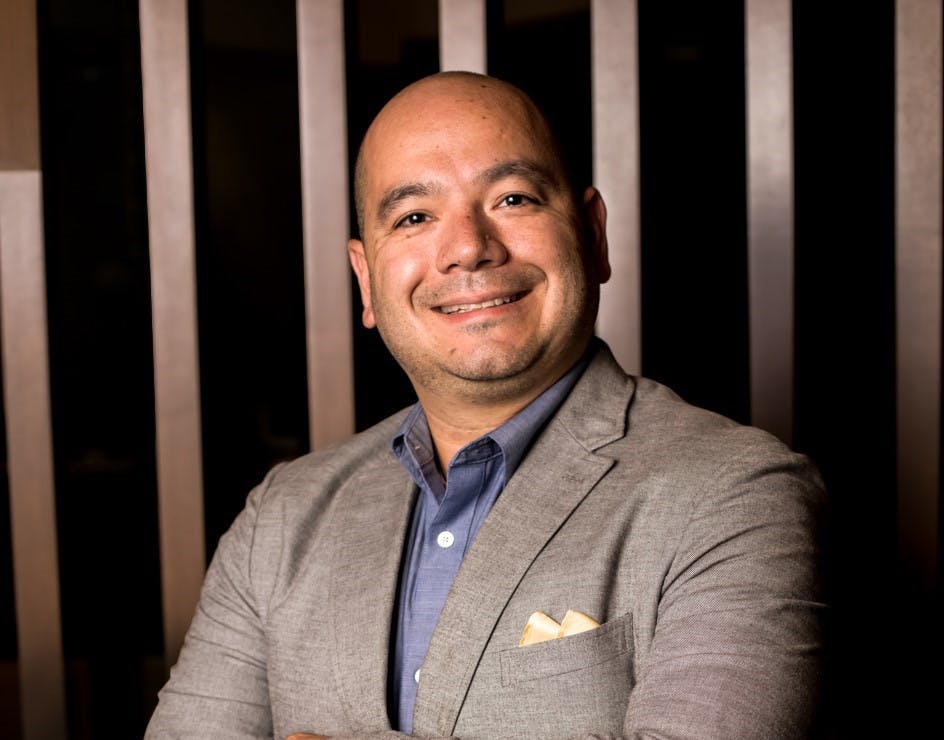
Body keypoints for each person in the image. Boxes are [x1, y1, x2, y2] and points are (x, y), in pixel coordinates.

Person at [145, 72, 825, 739]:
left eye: (514, 199)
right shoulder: (282, 518)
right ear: (367, 281)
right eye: (414, 217)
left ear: (592, 235)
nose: (469, 247)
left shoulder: (735, 492)